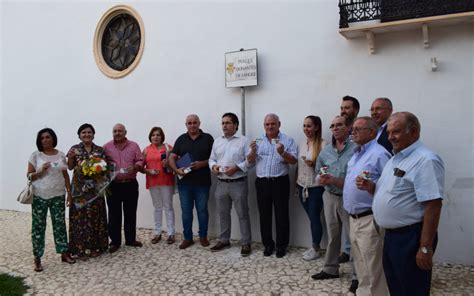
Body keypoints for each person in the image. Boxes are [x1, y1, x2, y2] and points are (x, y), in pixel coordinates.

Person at [364, 112, 444, 295]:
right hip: (392, 237)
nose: (390, 137)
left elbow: (433, 205)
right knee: (396, 287)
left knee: (412, 289)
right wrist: (372, 188)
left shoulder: (426, 160)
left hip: (411, 237)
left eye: (396, 132)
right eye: (389, 132)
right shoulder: (395, 158)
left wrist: (425, 247)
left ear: (414, 132)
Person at [344, 117, 391, 295]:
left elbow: (389, 187)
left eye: (358, 129)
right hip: (354, 218)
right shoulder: (356, 153)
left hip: (369, 218)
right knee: (360, 265)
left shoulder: (380, 154)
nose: (353, 132)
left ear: (372, 132)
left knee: (373, 266)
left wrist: (372, 186)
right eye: (353, 129)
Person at [247, 113, 297, 258]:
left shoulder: (288, 140)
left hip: (280, 182)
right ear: (264, 126)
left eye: (272, 124)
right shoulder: (257, 141)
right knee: (264, 215)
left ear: (279, 124)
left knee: (282, 215)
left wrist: (283, 152)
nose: (270, 126)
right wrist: (252, 153)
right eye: (267, 124)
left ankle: (282, 246)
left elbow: (293, 161)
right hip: (262, 182)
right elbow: (249, 161)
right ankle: (268, 245)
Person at [311, 116, 355, 280]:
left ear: (348, 127)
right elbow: (318, 171)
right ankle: (330, 269)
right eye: (332, 126)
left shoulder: (356, 149)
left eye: (339, 125)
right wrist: (320, 179)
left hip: (348, 198)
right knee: (333, 236)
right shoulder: (327, 150)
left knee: (353, 239)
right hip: (329, 196)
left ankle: (357, 276)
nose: (335, 128)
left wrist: (336, 180)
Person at [27, 128, 75, 272]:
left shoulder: (60, 155)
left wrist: (69, 192)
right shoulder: (35, 155)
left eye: (48, 137)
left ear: (53, 138)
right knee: (38, 227)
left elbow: (65, 174)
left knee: (60, 225)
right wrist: (40, 171)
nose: (45, 140)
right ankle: (37, 257)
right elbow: (29, 176)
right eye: (42, 138)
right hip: (39, 195)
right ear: (39, 141)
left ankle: (64, 253)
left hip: (58, 195)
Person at [209, 113, 252, 257]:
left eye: (228, 123)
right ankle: (224, 240)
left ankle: (246, 243)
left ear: (235, 125)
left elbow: (250, 161)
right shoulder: (217, 141)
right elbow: (211, 159)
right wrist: (213, 166)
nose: (224, 126)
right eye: (223, 123)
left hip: (238, 183)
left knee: (243, 214)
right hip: (221, 183)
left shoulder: (244, 141)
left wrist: (237, 168)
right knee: (223, 214)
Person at [168, 114, 214, 249]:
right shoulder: (181, 139)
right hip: (185, 184)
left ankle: (203, 237)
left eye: (195, 122)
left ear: (199, 123)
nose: (192, 125)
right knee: (186, 212)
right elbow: (172, 157)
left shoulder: (208, 138)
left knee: (202, 211)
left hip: (203, 183)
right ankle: (188, 238)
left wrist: (202, 163)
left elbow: (215, 158)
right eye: (189, 123)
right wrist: (177, 170)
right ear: (186, 125)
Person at [67, 123, 109, 259]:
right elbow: (70, 167)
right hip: (79, 190)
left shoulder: (99, 149)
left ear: (93, 134)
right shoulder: (74, 149)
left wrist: (98, 170)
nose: (87, 134)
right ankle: (80, 249)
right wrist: (71, 157)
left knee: (96, 217)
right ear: (79, 135)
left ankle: (96, 247)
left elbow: (105, 168)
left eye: (89, 132)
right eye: (83, 132)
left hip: (95, 189)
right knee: (80, 218)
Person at [103, 123, 144, 253]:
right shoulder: (106, 147)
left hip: (130, 183)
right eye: (115, 131)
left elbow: (140, 159)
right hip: (113, 185)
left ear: (125, 132)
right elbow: (101, 163)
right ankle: (115, 241)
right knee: (114, 214)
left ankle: (131, 239)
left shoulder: (134, 145)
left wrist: (136, 166)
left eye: (120, 131)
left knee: (130, 212)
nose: (117, 133)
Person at [296, 115, 326, 261]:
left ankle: (316, 247)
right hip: (302, 185)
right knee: (311, 217)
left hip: (316, 187)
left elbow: (327, 168)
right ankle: (314, 244)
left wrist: (314, 164)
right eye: (304, 126)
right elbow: (298, 165)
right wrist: (296, 184)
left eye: (309, 126)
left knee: (315, 217)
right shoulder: (302, 143)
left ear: (316, 127)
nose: (306, 129)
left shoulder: (323, 144)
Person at [142, 127, 176, 244]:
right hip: (153, 182)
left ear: (162, 136)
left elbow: (176, 163)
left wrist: (169, 164)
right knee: (157, 207)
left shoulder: (169, 148)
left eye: (158, 135)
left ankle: (171, 233)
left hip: (166, 181)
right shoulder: (146, 150)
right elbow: (140, 167)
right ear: (150, 137)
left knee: (168, 207)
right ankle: (157, 232)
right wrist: (148, 171)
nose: (155, 137)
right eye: (153, 135)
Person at [338, 95, 360, 263]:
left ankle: (355, 255)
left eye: (347, 108)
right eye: (342, 108)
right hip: (339, 184)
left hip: (357, 183)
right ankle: (346, 250)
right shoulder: (340, 128)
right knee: (345, 222)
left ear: (355, 110)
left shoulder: (361, 128)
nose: (344, 111)